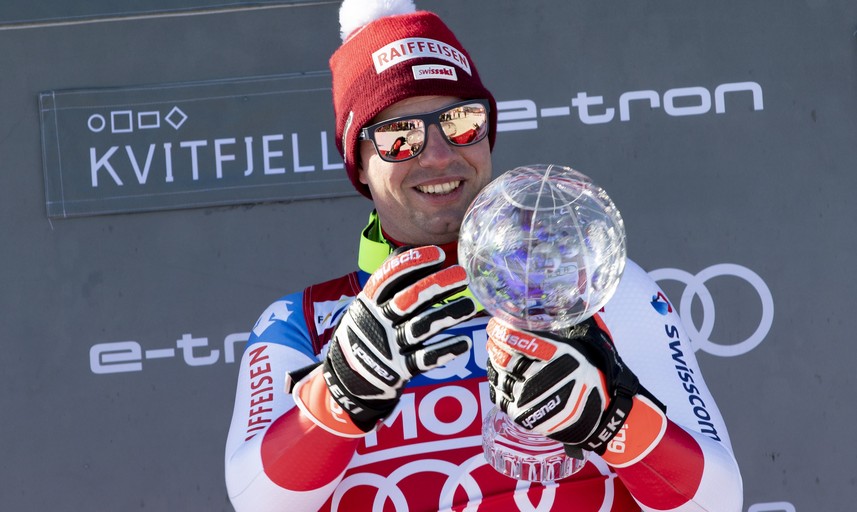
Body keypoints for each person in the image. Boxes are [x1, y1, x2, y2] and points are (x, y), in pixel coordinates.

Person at [224, 1, 744, 510]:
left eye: (462, 121)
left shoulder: (594, 285)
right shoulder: (300, 321)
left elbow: (718, 501)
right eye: (399, 135)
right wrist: (339, 394)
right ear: (358, 162)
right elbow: (258, 500)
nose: (439, 154)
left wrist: (612, 420)